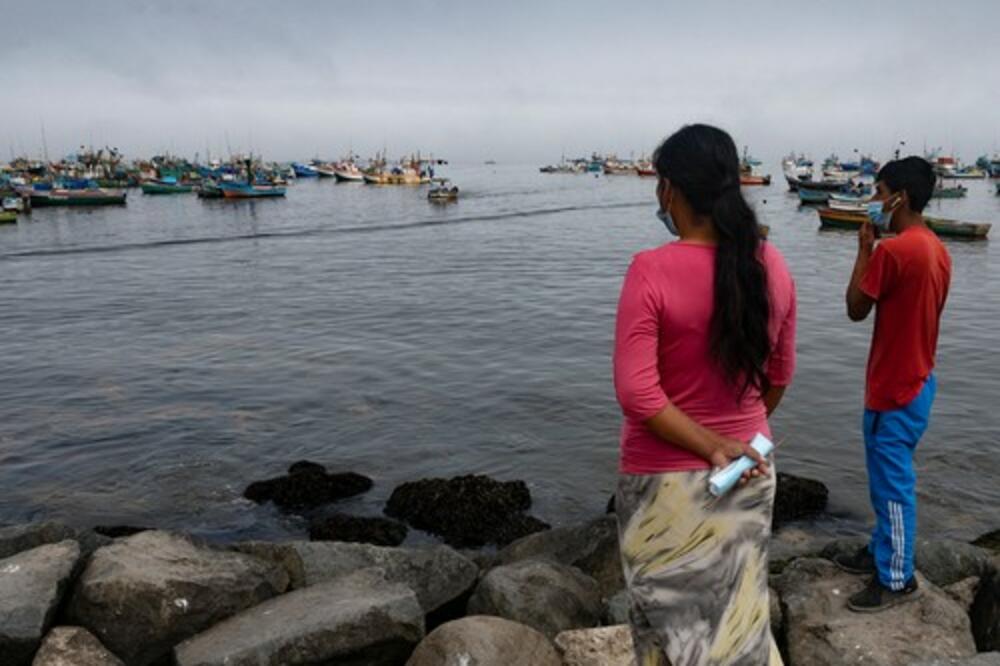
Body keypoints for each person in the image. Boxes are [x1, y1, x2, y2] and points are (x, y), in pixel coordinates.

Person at [613, 124, 796, 665]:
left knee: (667, 634)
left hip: (665, 486)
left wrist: (712, 444)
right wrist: (738, 437)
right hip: (751, 471)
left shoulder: (652, 270)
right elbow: (779, 377)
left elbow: (638, 394)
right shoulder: (773, 264)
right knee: (738, 624)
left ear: (668, 189)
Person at [837, 157, 951, 612]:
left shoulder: (895, 251)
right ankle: (881, 550)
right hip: (917, 378)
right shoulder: (936, 249)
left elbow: (855, 307)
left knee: (893, 483)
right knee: (884, 478)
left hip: (897, 386)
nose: (874, 201)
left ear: (900, 196)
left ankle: (897, 578)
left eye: (880, 191)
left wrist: (865, 249)